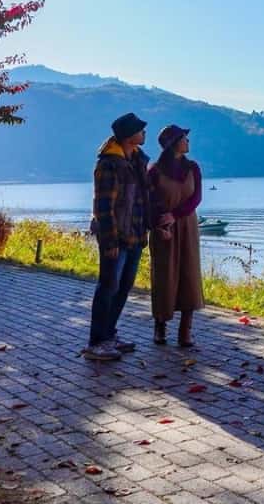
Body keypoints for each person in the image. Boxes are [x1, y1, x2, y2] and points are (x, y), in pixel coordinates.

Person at [84, 112, 150, 362]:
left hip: (135, 235)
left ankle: (109, 335)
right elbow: (103, 206)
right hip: (116, 237)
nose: (144, 133)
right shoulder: (109, 164)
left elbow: (142, 200)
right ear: (128, 135)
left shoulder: (136, 161)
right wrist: (109, 241)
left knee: (123, 287)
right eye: (140, 129)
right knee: (108, 287)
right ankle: (96, 342)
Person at [149, 125, 204, 348]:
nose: (188, 142)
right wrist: (158, 223)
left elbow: (196, 198)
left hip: (187, 224)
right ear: (174, 143)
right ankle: (160, 325)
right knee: (164, 276)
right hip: (164, 228)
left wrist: (176, 214)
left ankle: (185, 331)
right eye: (184, 138)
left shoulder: (193, 168)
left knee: (189, 274)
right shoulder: (154, 171)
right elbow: (149, 201)